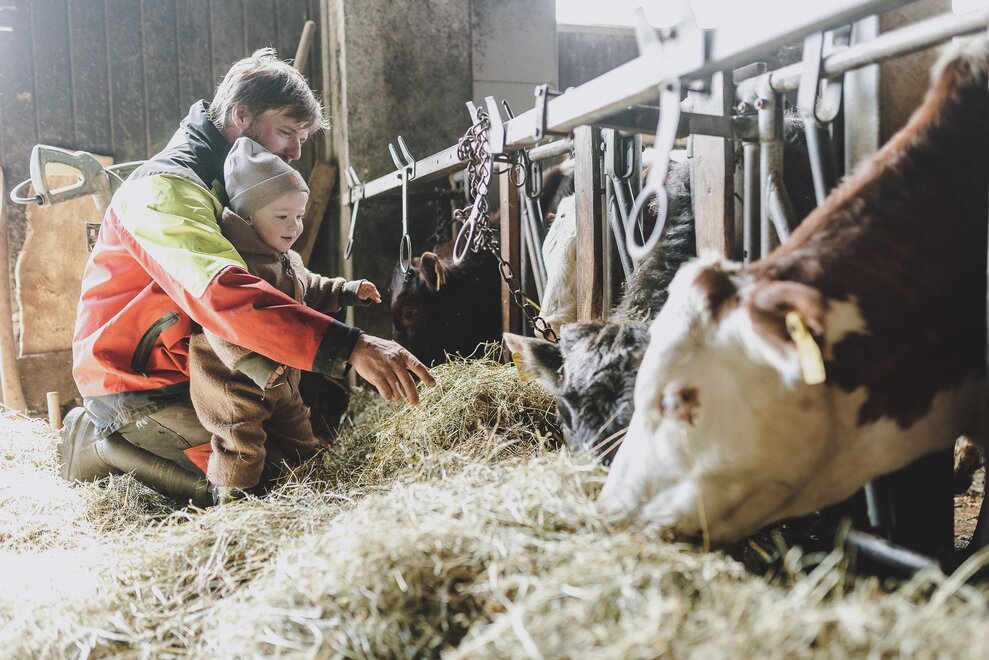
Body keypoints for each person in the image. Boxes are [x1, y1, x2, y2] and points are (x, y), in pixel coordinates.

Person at [60, 48, 434, 506]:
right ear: (240, 115)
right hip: (141, 384)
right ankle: (95, 441)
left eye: (302, 137)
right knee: (263, 491)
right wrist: (348, 346)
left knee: (304, 470)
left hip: (202, 370)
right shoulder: (167, 189)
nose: (296, 151)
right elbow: (223, 293)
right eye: (287, 132)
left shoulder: (229, 182)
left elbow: (276, 278)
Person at [193, 136, 381, 503]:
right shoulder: (236, 263)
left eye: (299, 217)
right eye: (282, 216)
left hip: (283, 378)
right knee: (241, 442)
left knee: (299, 430)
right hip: (235, 380)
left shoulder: (286, 258)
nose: (294, 226)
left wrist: (345, 290)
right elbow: (219, 321)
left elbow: (309, 288)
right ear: (247, 216)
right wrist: (256, 366)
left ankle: (312, 478)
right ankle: (231, 500)